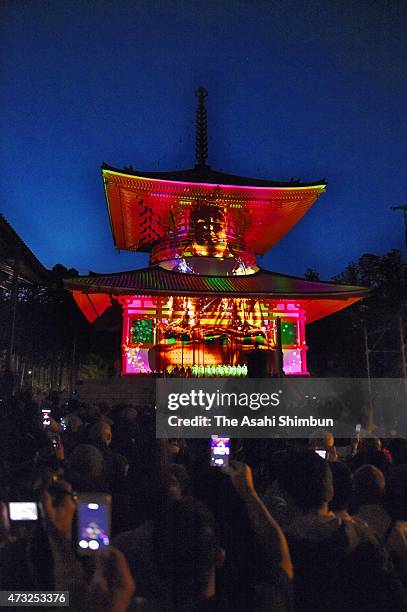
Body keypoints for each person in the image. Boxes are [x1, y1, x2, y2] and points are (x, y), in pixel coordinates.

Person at [278, 449, 407, 611]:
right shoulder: (363, 537)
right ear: (329, 490)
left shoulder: (278, 551)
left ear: (285, 495)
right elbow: (395, 598)